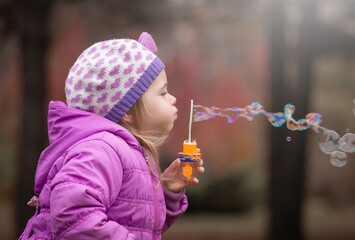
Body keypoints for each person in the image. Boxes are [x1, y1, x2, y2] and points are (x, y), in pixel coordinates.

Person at [20, 32, 204, 240]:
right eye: (163, 93)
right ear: (126, 110)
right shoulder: (100, 149)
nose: (173, 99)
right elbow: (74, 217)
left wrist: (167, 191)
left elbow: (139, 226)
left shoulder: (126, 151)